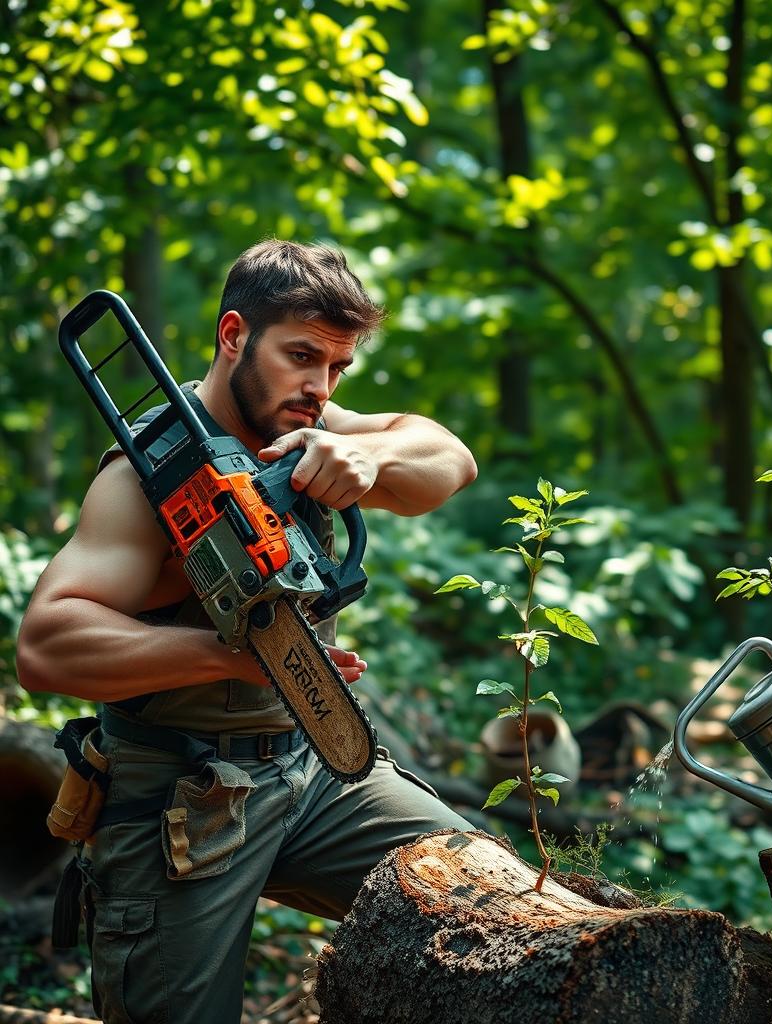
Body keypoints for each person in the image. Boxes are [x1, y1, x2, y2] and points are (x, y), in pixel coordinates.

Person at [16, 240, 478, 1024]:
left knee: (486, 901)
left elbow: (451, 458)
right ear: (235, 335)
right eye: (303, 356)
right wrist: (232, 652)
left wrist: (365, 455)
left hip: (316, 773)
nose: (320, 386)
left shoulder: (308, 419)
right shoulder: (144, 478)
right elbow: (45, 645)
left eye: (338, 368)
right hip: (184, 801)